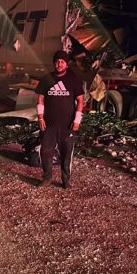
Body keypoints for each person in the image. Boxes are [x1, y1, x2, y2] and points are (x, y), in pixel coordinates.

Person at [36, 50, 84, 189]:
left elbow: (80, 100)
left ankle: (65, 181)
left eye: (62, 62)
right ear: (54, 63)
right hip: (49, 124)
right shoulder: (46, 79)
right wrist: (40, 117)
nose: (59, 64)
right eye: (57, 61)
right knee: (46, 151)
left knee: (66, 154)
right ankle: (47, 178)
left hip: (67, 126)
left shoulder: (73, 80)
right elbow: (40, 98)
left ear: (67, 64)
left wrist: (77, 120)